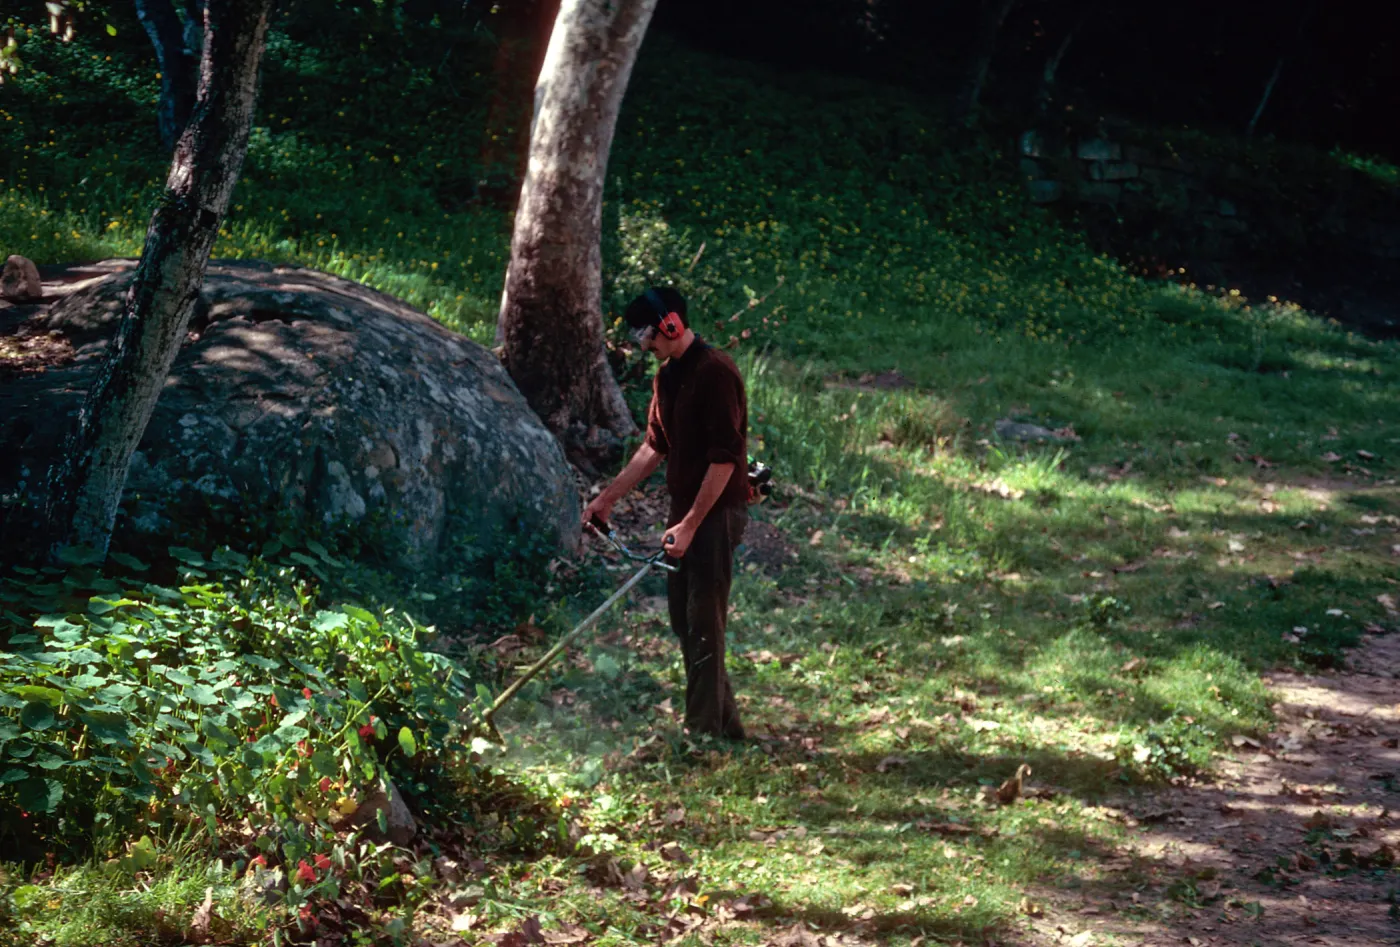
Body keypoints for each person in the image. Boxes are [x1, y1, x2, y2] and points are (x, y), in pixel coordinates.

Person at [582, 287, 749, 741]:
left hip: (715, 512)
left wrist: (692, 524)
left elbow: (725, 458)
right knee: (686, 620)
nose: (645, 345)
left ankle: (702, 735)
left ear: (672, 324)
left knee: (702, 620)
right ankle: (727, 726)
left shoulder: (715, 373)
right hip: (687, 513)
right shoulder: (667, 377)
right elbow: (655, 445)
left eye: (648, 334)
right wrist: (607, 499)